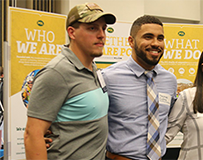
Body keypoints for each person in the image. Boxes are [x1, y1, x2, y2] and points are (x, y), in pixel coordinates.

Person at [24, 2, 116, 160]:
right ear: (72, 33)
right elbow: (32, 135)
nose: (101, 34)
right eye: (92, 28)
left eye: (103, 28)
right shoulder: (56, 73)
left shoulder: (92, 67)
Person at [102, 15, 177, 160]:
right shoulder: (108, 78)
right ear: (131, 41)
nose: (156, 43)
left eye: (160, 38)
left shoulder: (170, 80)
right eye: (148, 37)